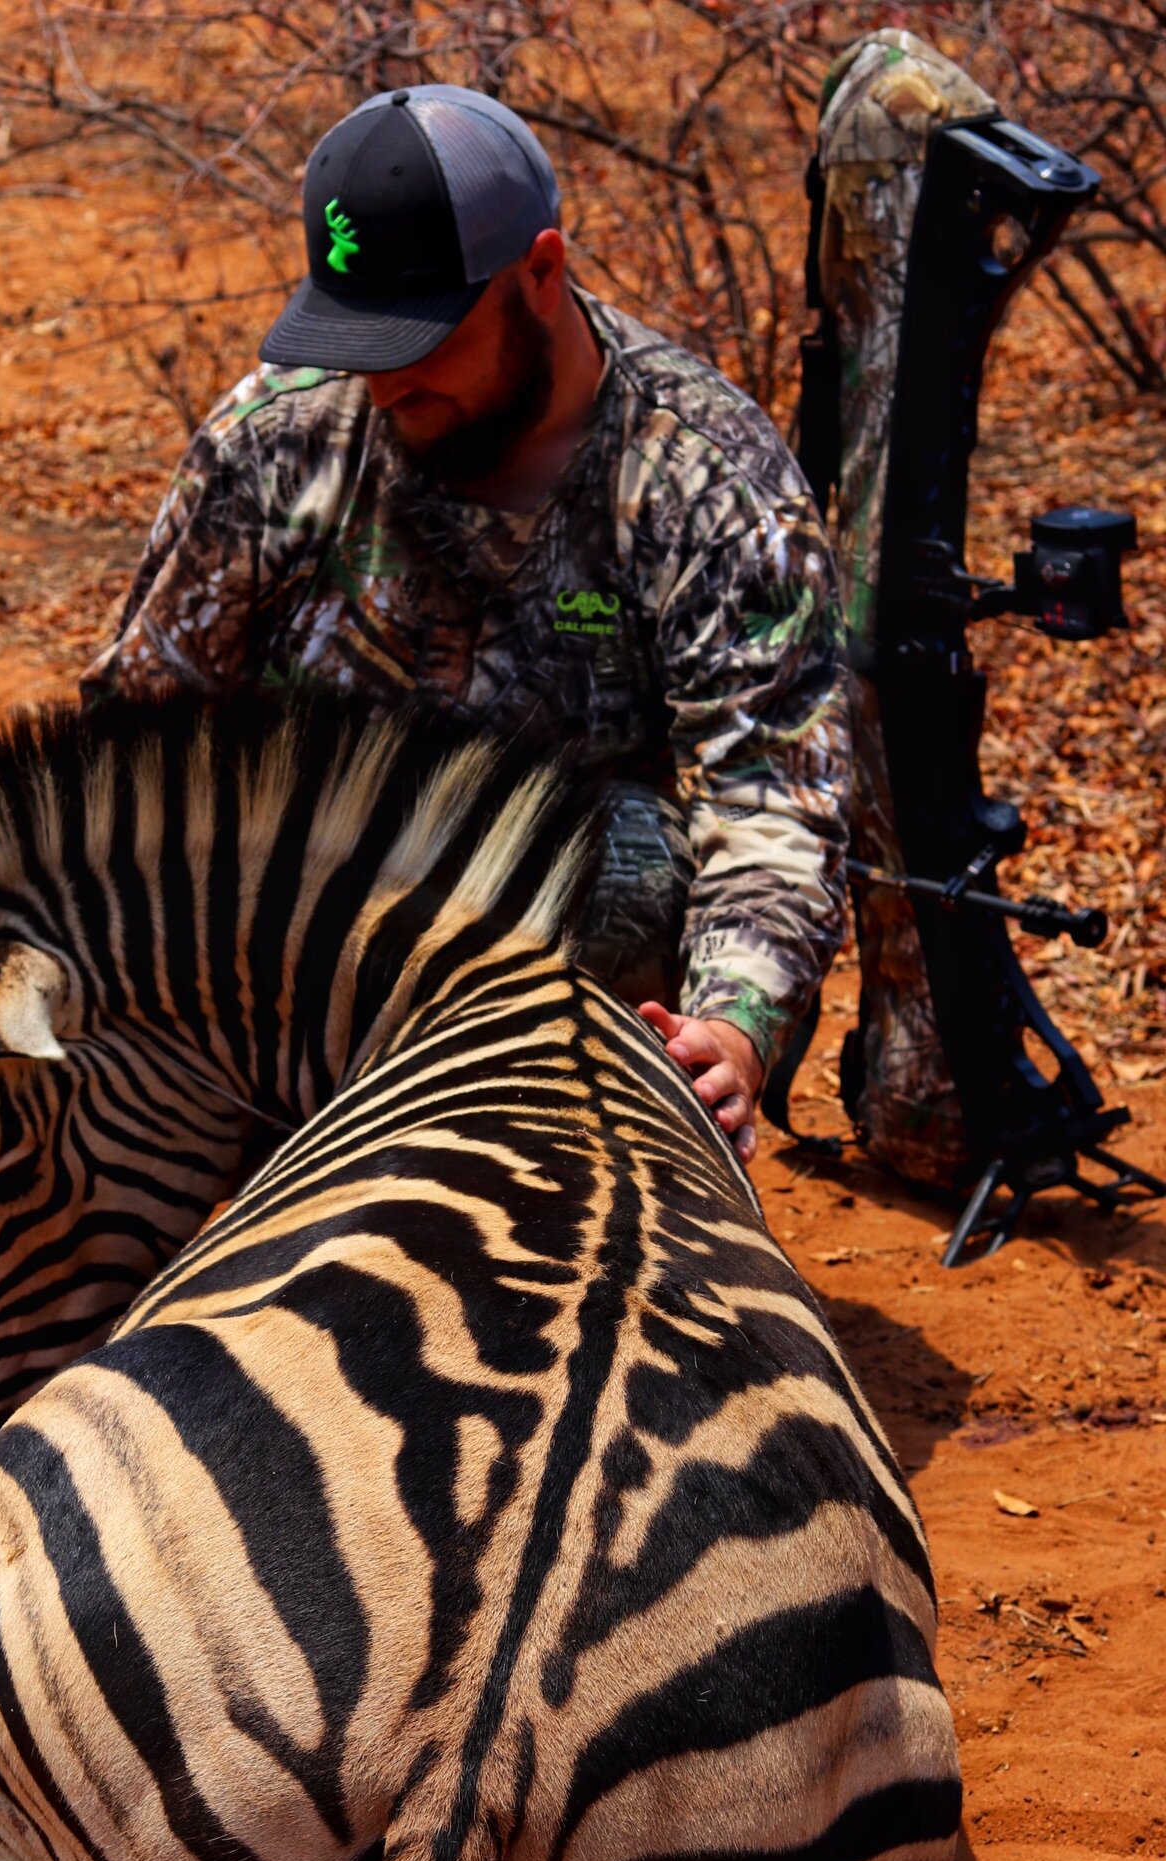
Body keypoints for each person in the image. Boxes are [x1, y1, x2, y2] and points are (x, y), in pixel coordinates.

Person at [84, 85, 853, 1163]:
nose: (386, 382)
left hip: (558, 958)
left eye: (422, 337)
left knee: (630, 873)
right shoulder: (284, 432)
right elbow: (136, 733)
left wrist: (733, 1025)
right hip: (290, 933)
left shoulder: (705, 479)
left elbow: (770, 799)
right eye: (356, 337)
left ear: (541, 273)